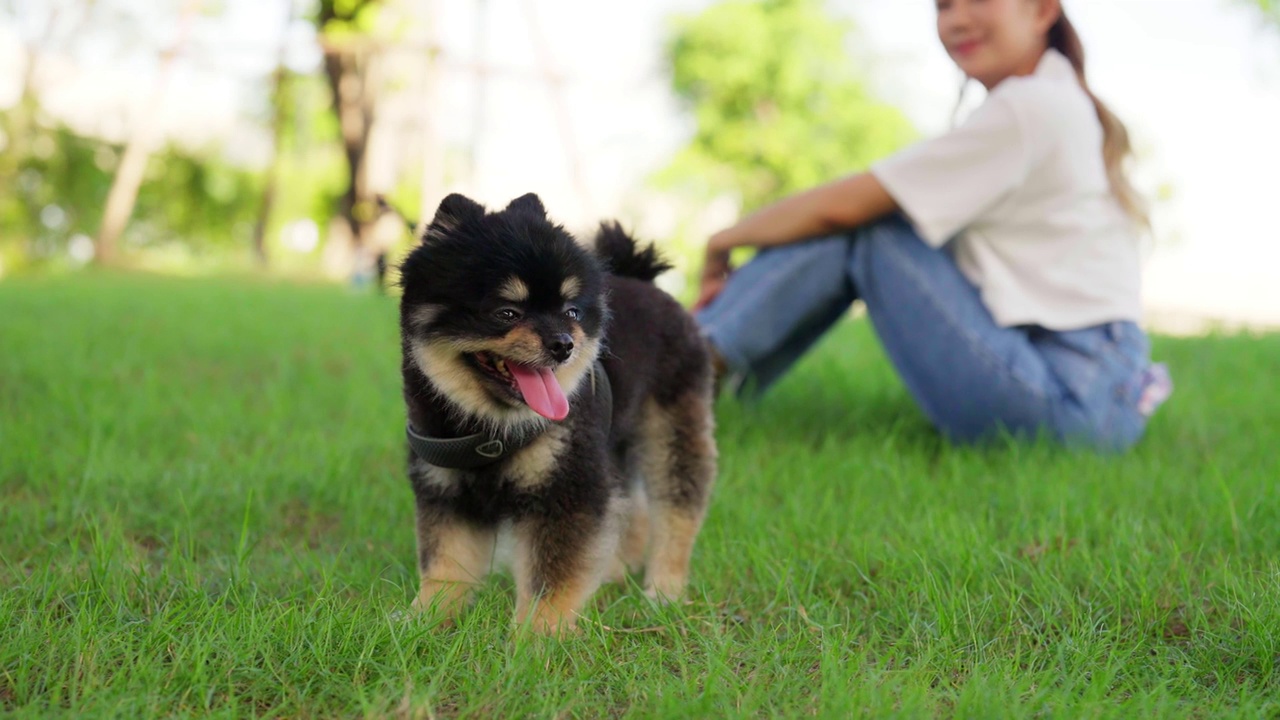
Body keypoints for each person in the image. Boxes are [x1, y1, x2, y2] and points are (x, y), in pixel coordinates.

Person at [694, 0, 1172, 452]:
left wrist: (725, 239)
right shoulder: (1056, 99)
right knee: (881, 219)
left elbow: (843, 208)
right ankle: (705, 373)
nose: (957, 20)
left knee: (872, 226)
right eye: (943, 5)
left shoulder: (1031, 106)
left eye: (978, 1)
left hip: (1063, 401)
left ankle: (677, 372)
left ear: (1043, 9)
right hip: (1101, 402)